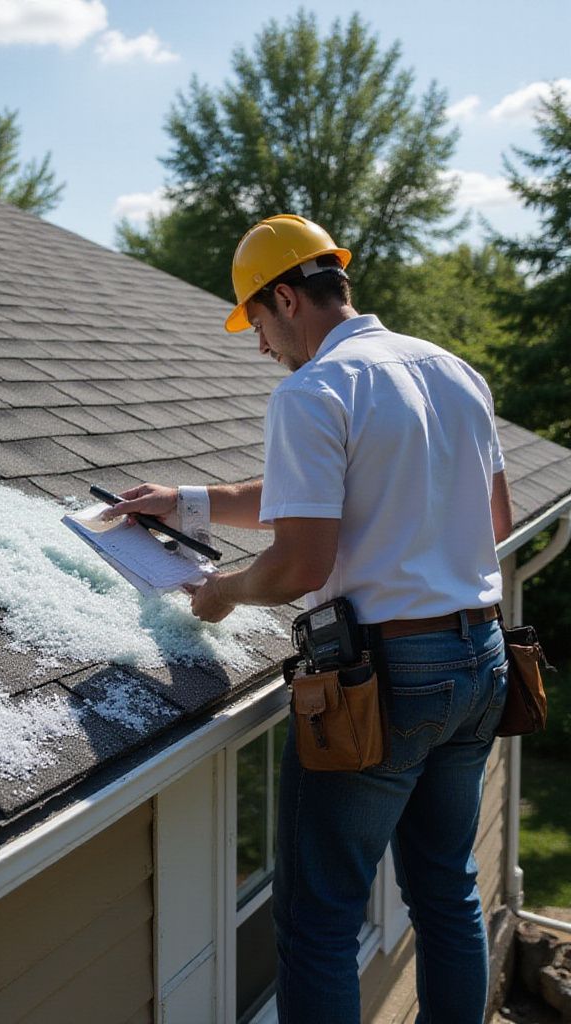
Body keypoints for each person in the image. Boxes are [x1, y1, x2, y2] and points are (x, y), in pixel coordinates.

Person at [103, 214, 514, 1023]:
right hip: (482, 661)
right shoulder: (451, 371)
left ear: (285, 298)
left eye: (255, 321)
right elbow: (493, 521)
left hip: (387, 681)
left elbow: (301, 564)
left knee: (321, 919)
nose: (260, 345)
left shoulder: (314, 390)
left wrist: (222, 593)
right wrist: (185, 502)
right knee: (447, 891)